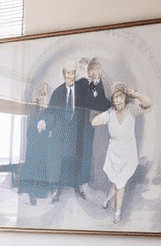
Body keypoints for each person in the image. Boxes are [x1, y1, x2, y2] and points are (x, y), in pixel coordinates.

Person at [91, 83, 152, 223]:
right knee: (115, 183)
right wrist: (97, 116)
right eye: (115, 98)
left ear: (125, 97)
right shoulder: (110, 114)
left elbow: (148, 103)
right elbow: (94, 121)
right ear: (112, 100)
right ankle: (107, 200)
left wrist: (135, 95)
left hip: (128, 155)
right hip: (114, 155)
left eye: (120, 97)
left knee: (120, 184)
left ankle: (117, 213)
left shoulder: (131, 110)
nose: (118, 100)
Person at [47, 62, 85, 200]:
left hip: (76, 131)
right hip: (60, 131)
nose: (71, 76)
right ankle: (56, 189)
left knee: (77, 158)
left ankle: (77, 186)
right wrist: (48, 127)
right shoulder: (57, 92)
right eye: (68, 73)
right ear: (63, 75)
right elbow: (50, 112)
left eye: (73, 73)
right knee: (57, 160)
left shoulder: (81, 91)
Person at [74, 58, 111, 189]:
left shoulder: (97, 83)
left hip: (93, 125)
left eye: (97, 70)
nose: (94, 72)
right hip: (81, 123)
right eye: (83, 68)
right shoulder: (81, 84)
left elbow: (101, 102)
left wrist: (111, 106)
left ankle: (89, 182)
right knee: (81, 151)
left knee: (93, 152)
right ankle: (80, 182)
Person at [17, 84, 51, 205]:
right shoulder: (34, 108)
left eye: (45, 92)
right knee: (32, 166)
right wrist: (38, 129)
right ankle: (31, 193)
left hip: (43, 142)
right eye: (41, 92)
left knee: (41, 166)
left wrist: (46, 130)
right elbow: (30, 126)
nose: (43, 94)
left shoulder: (47, 108)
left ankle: (39, 192)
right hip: (34, 141)